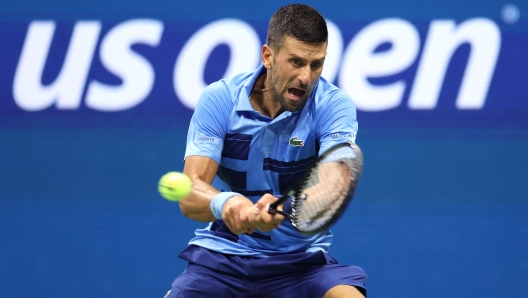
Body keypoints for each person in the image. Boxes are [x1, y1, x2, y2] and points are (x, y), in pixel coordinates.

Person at [165, 4, 367, 298]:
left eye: (316, 64)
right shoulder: (220, 99)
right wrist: (228, 203)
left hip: (301, 263)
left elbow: (335, 184)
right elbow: (190, 192)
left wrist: (282, 208)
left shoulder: (333, 105)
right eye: (296, 61)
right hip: (223, 258)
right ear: (268, 56)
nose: (306, 77)